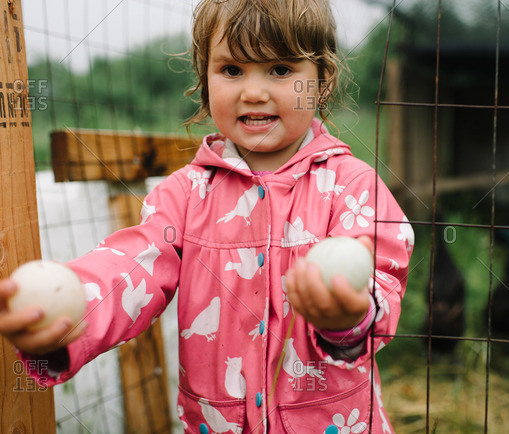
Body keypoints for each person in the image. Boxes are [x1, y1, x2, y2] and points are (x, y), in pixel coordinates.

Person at [0, 0, 414, 432]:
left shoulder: (353, 189)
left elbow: (383, 277)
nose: (253, 91)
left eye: (280, 69)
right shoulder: (184, 195)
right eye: (232, 70)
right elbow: (128, 271)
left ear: (321, 83)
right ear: (205, 78)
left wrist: (349, 317)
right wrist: (67, 314)